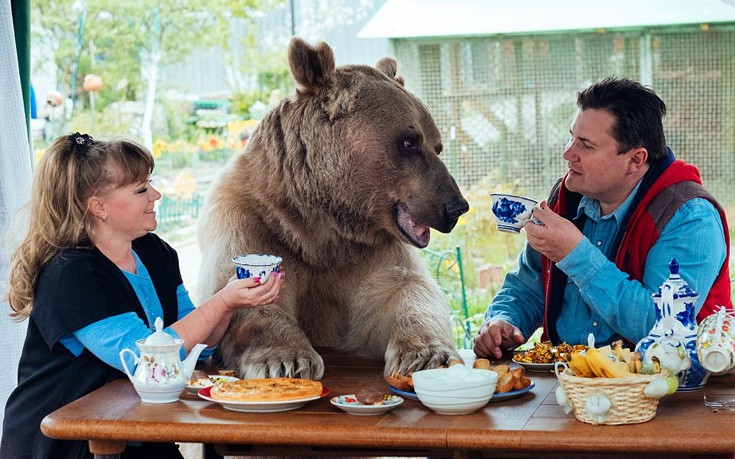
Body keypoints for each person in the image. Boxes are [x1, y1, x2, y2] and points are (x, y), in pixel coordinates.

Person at [1, 133, 283, 459]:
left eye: (151, 182)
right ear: (98, 206)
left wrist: (235, 299)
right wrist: (223, 300)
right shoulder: (72, 275)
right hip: (67, 443)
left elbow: (201, 344)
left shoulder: (154, 250)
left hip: (133, 427)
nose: (156, 194)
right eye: (140, 189)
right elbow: (149, 361)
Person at [474, 77, 732, 360]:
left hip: (663, 391)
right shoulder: (566, 196)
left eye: (585, 145)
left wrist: (575, 254)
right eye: (571, 136)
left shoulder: (690, 217)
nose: (567, 153)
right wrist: (503, 321)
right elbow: (528, 286)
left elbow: (663, 328)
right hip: (566, 380)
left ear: (635, 160)